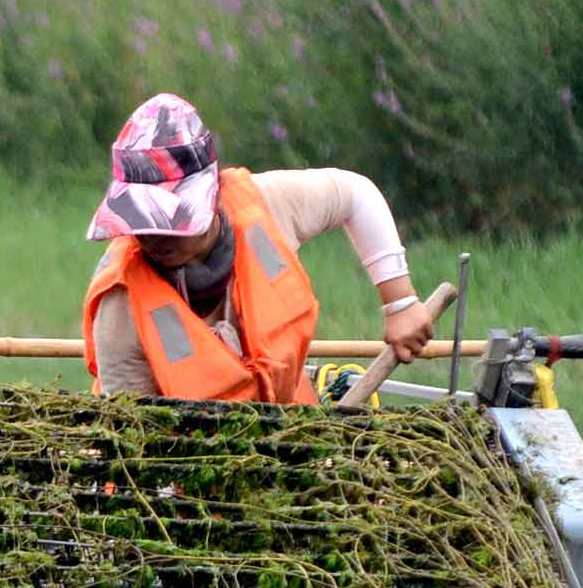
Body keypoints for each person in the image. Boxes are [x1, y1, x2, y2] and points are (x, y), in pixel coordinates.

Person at [78, 93, 453, 407]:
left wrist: (400, 302)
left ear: (210, 195)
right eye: (141, 223)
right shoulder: (121, 308)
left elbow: (355, 195)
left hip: (292, 432)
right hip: (192, 468)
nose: (153, 236)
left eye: (167, 221)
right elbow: (132, 443)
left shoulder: (266, 205)